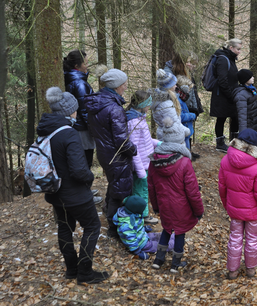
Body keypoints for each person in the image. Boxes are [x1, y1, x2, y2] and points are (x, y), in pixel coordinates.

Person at [38, 87, 109, 284]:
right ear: (70, 111)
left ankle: (71, 269)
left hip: (55, 192)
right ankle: (85, 272)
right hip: (75, 194)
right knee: (92, 226)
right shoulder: (69, 134)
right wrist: (89, 179)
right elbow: (79, 170)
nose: (77, 113)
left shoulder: (45, 130)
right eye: (76, 109)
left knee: (64, 227)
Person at [85, 68, 137, 238]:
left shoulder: (97, 103)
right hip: (117, 156)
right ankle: (115, 228)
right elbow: (122, 141)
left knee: (115, 184)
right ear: (116, 86)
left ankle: (112, 217)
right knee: (121, 190)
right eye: (124, 84)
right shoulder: (114, 109)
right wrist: (134, 150)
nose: (126, 87)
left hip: (104, 153)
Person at [148, 117, 203, 273]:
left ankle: (159, 260)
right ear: (180, 139)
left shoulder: (154, 161)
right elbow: (192, 191)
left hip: (164, 204)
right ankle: (176, 263)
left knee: (167, 228)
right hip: (182, 207)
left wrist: (156, 207)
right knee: (179, 232)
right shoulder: (185, 162)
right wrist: (198, 211)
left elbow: (151, 187)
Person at [218, 128, 257, 279]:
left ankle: (232, 271)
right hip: (253, 213)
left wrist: (226, 204)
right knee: (252, 240)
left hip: (235, 210)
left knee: (234, 239)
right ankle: (250, 270)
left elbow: (222, 187)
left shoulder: (225, 160)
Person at [63, 50, 102, 205]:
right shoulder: (79, 83)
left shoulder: (74, 78)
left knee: (82, 162)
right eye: (85, 62)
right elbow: (85, 110)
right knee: (84, 162)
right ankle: (84, 195)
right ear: (77, 66)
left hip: (77, 127)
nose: (87, 66)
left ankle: (84, 190)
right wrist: (95, 129)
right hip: (82, 129)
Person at [126, 90, 160, 224]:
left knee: (142, 189)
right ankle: (143, 215)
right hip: (141, 165)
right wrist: (140, 171)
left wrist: (158, 143)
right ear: (142, 104)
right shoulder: (134, 123)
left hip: (146, 162)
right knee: (142, 190)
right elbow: (134, 149)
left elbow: (145, 140)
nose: (150, 107)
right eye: (148, 104)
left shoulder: (140, 118)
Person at [165, 50, 203, 159]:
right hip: (179, 106)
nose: (190, 64)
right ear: (180, 62)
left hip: (187, 104)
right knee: (181, 130)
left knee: (188, 130)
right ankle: (182, 153)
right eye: (188, 62)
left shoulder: (185, 70)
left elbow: (192, 89)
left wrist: (195, 107)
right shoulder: (169, 73)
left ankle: (188, 151)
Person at [113, 195, 175, 260]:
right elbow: (130, 240)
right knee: (158, 245)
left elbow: (136, 226)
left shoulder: (129, 212)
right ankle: (174, 243)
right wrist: (138, 252)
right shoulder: (128, 225)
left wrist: (143, 228)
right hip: (141, 244)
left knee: (157, 235)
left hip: (142, 235)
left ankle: (173, 236)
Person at [210, 38, 242, 153]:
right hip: (222, 95)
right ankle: (220, 144)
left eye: (240, 49)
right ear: (231, 48)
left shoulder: (231, 58)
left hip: (231, 95)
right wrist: (230, 94)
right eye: (238, 49)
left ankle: (234, 142)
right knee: (221, 118)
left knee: (235, 117)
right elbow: (222, 80)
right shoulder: (223, 59)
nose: (239, 51)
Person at [150, 69, 190, 142]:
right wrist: (187, 131)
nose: (175, 86)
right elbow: (174, 124)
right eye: (174, 84)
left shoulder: (164, 100)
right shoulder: (166, 104)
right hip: (171, 138)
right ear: (169, 87)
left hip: (167, 136)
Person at [232, 69, 257, 138]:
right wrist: (243, 133)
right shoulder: (241, 95)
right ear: (245, 79)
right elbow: (242, 116)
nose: (253, 78)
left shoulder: (251, 90)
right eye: (250, 77)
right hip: (249, 128)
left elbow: (255, 107)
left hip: (255, 125)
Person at [175, 76, 196, 152]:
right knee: (185, 152)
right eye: (189, 89)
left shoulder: (181, 99)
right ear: (184, 88)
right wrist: (192, 115)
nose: (189, 90)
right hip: (183, 131)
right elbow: (181, 116)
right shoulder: (178, 101)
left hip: (186, 131)